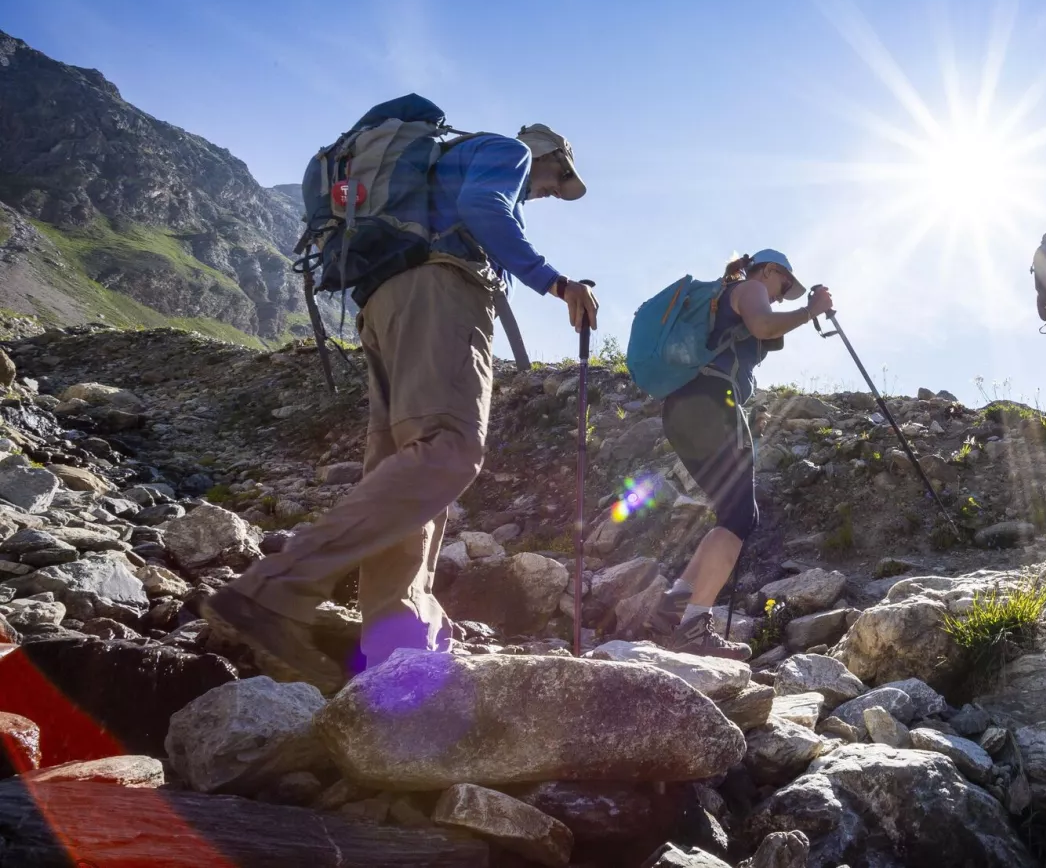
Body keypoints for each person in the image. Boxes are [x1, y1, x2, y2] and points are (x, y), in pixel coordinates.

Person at [203, 122, 600, 692]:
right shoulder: (507, 153)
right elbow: (487, 206)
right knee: (449, 448)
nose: (542, 194)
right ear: (548, 159)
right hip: (440, 295)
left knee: (406, 468)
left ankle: (395, 639)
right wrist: (557, 284)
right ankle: (274, 591)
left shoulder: (437, 166)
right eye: (553, 182)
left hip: (387, 304)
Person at [646, 250, 832, 659]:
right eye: (784, 285)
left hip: (684, 409)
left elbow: (768, 332)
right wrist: (810, 308)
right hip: (711, 405)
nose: (782, 296)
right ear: (769, 271)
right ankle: (695, 625)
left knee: (730, 512)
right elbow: (765, 323)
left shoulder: (727, 298)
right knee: (741, 517)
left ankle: (671, 608)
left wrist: (803, 312)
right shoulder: (747, 288)